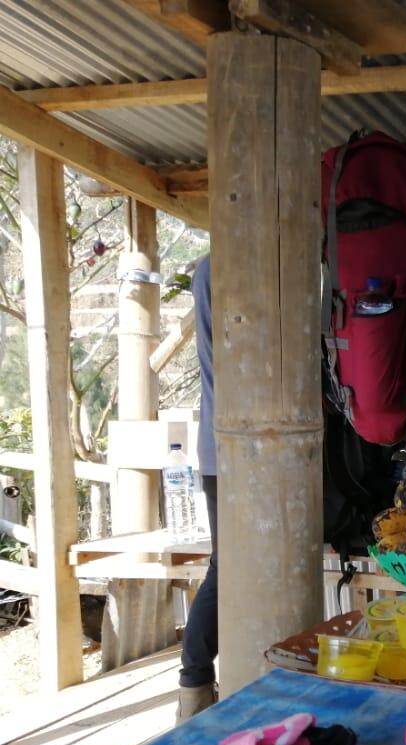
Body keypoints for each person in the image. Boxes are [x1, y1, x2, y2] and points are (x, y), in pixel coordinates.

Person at [178, 254, 218, 720]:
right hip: (232, 450)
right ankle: (194, 684)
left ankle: (196, 688)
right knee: (226, 569)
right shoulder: (223, 268)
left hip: (221, 448)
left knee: (225, 568)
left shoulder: (211, 267)